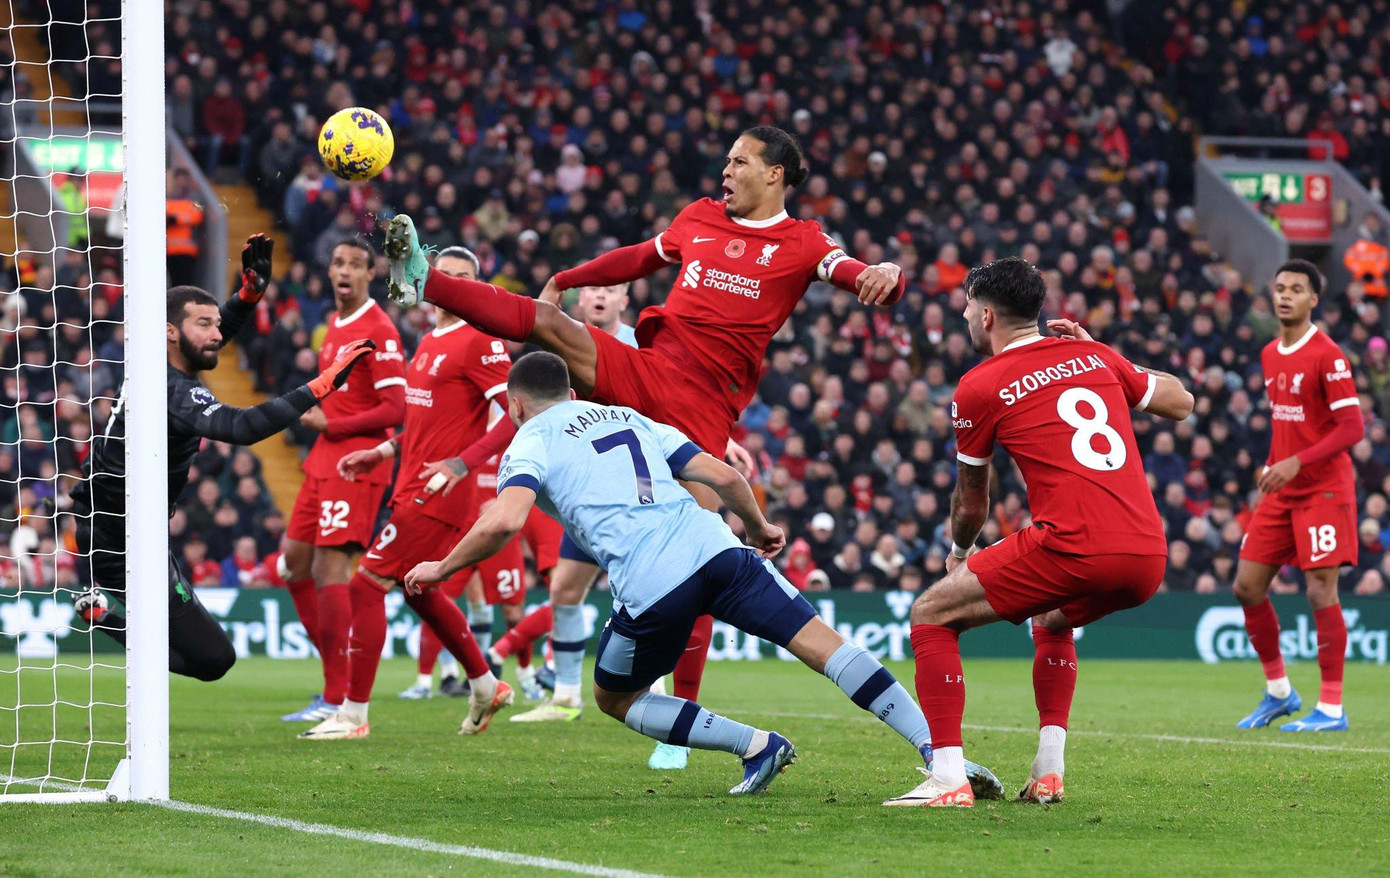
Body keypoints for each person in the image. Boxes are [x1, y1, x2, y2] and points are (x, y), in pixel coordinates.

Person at [385, 126, 905, 769]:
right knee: (550, 324)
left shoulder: (803, 243)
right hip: (650, 369)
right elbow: (637, 258)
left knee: (702, 553)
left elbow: (851, 272)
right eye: (726, 159)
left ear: (775, 175)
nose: (725, 169)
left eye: (739, 161)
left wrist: (880, 273)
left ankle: (688, 711)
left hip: (704, 407)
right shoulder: (698, 219)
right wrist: (565, 276)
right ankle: (423, 280)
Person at [405, 352, 1001, 800]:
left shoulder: (528, 440)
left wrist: (442, 565)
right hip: (719, 549)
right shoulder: (625, 415)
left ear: (513, 403)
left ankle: (756, 745)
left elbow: (504, 519)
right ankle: (939, 753)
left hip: (652, 580)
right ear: (570, 390)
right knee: (827, 646)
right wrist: (760, 525)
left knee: (615, 696)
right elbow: (721, 474)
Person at [884, 258, 1193, 808]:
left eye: (964, 311)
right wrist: (1105, 353)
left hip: (1074, 545)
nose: (963, 319)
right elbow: (1182, 402)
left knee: (931, 613)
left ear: (984, 315)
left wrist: (959, 553)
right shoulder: (1094, 356)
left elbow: (971, 500)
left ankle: (949, 778)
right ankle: (1049, 770)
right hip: (1147, 554)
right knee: (1052, 619)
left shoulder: (980, 385)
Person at [72, 237, 375, 680]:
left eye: (218, 323)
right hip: (121, 542)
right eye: (204, 324)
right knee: (214, 660)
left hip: (129, 529)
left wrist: (247, 296)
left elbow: (207, 340)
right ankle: (107, 619)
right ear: (170, 331)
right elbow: (241, 427)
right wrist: (322, 384)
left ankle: (107, 615)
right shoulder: (171, 391)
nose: (217, 334)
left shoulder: (156, 363)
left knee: (205, 656)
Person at [298, 247, 514, 740]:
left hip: (439, 492)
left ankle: (353, 715)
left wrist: (463, 464)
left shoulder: (481, 341)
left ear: (476, 288)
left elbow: (518, 415)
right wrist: (383, 452)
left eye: (465, 279)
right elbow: (425, 422)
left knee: (365, 585)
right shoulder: (430, 338)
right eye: (448, 277)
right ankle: (484, 685)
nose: (454, 285)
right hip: (409, 482)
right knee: (419, 590)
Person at [279, 239, 407, 723]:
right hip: (322, 459)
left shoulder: (379, 329)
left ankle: (337, 696)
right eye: (337, 263)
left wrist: (333, 425)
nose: (345, 271)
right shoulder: (333, 324)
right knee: (292, 565)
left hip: (358, 461)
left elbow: (397, 410)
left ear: (371, 273)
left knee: (331, 571)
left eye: (355, 264)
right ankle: (335, 677)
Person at [1233, 260, 1364, 732]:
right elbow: (1288, 423)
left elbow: (1352, 426)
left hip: (1324, 490)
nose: (1284, 295)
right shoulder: (1270, 353)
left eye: (1296, 289)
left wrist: (1297, 463)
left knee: (1319, 589)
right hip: (1282, 489)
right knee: (1247, 586)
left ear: (1314, 299)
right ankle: (1280, 693)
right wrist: (1275, 464)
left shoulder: (1328, 355)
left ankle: (1332, 708)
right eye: (1280, 288)